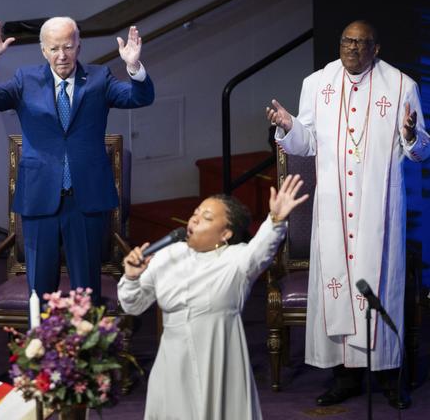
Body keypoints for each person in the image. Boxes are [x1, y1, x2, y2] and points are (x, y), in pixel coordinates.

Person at [266, 20, 430, 409]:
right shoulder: (317, 84)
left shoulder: (402, 86)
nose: (352, 49)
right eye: (347, 41)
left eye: (361, 43)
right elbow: (305, 144)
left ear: (376, 48)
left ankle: (390, 378)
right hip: (334, 208)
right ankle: (344, 378)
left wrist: (410, 135)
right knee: (337, 290)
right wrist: (289, 127)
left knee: (381, 291)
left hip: (378, 209)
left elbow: (422, 150)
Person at [0, 17, 154, 303]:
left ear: (78, 46)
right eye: (54, 48)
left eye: (68, 47)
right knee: (40, 289)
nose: (62, 55)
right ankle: (42, 345)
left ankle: (85, 346)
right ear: (43, 50)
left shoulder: (99, 78)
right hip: (39, 194)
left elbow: (139, 98)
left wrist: (133, 68)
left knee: (86, 290)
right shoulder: (24, 79)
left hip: (86, 198)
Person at [120, 175, 308, 419]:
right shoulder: (167, 256)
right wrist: (132, 277)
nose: (195, 219)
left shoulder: (237, 261)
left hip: (219, 359)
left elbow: (261, 250)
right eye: (196, 213)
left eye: (207, 218)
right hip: (173, 362)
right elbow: (132, 306)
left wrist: (275, 220)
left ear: (225, 234)